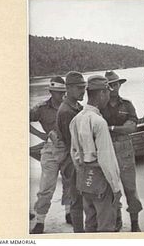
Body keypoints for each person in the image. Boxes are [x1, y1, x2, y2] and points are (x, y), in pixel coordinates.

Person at [70, 75, 122, 232]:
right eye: (107, 92)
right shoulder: (99, 122)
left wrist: (83, 172)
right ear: (101, 93)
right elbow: (106, 160)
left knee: (90, 222)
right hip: (102, 179)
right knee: (107, 225)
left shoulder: (76, 119)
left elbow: (74, 153)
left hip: (85, 177)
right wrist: (115, 188)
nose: (108, 96)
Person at [101, 71, 142, 232]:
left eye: (116, 84)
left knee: (130, 187)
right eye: (109, 85)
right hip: (107, 147)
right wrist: (120, 129)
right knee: (111, 187)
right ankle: (117, 220)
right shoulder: (100, 106)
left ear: (119, 85)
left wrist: (111, 128)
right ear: (106, 87)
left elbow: (131, 128)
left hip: (125, 148)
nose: (113, 87)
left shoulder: (127, 104)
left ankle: (134, 222)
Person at [30, 76, 69, 233]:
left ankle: (69, 213)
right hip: (50, 149)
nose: (62, 95)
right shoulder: (41, 108)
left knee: (69, 184)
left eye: (63, 92)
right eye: (59, 92)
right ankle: (40, 221)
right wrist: (41, 135)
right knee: (46, 188)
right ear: (51, 92)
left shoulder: (71, 106)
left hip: (67, 149)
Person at [53, 71, 87, 233]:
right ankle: (79, 234)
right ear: (69, 88)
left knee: (80, 197)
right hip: (71, 161)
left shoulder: (75, 107)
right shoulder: (66, 111)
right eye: (80, 88)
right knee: (76, 200)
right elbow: (72, 142)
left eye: (84, 87)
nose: (83, 91)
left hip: (73, 159)